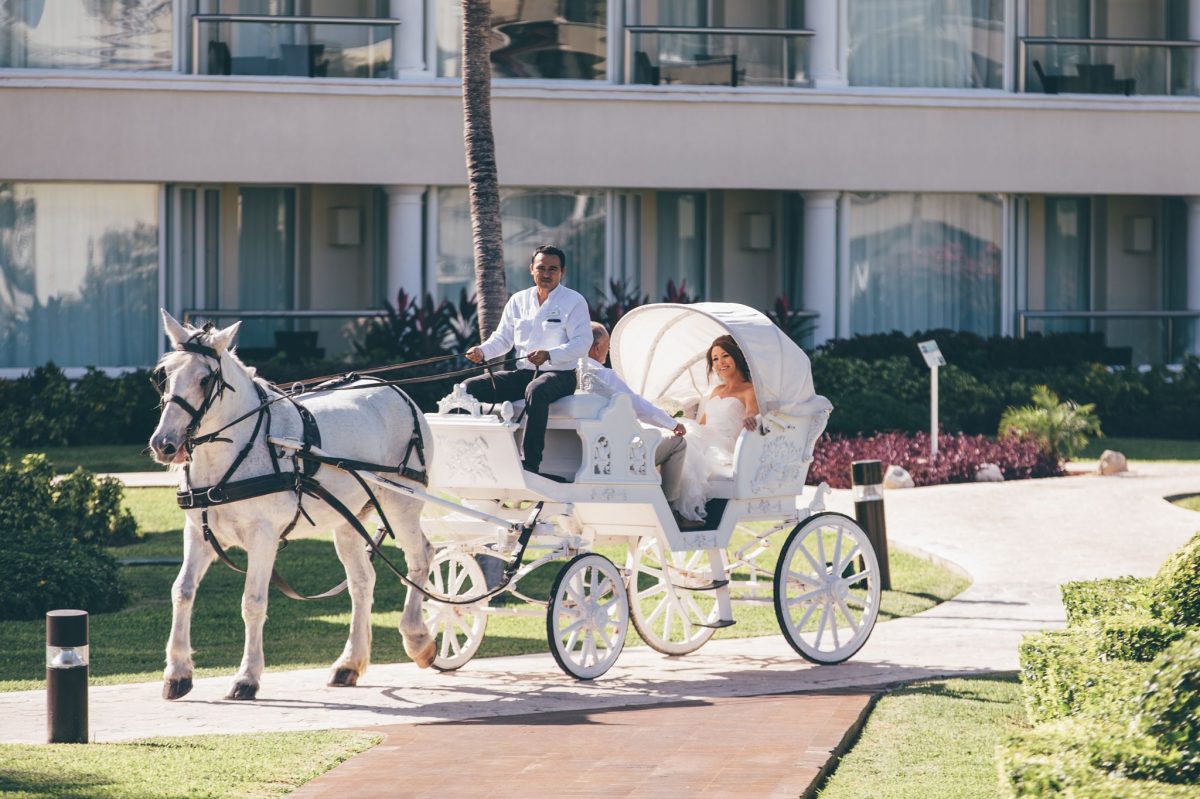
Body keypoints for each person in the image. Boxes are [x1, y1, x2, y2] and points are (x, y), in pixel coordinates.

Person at [463, 245, 591, 474]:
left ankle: (529, 464)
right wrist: (482, 351)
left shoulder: (574, 301)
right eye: (541, 268)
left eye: (553, 269)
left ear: (562, 272)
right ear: (531, 269)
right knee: (469, 388)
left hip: (560, 376)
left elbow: (582, 344)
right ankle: (475, 457)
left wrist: (550, 354)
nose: (546, 273)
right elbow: (502, 339)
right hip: (523, 373)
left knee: (536, 389)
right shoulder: (518, 300)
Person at [584, 323, 698, 527]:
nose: (606, 354)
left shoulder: (560, 373)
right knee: (677, 443)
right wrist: (672, 424)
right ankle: (670, 512)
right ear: (597, 347)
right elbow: (636, 405)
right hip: (610, 456)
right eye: (608, 349)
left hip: (577, 453)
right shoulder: (602, 374)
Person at [675, 334, 760, 523]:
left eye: (725, 356)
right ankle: (671, 508)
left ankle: (688, 513)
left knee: (689, 448)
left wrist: (749, 417)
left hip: (723, 445)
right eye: (715, 359)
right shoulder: (715, 391)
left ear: (737, 357)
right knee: (682, 439)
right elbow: (703, 424)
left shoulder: (749, 390)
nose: (720, 362)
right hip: (705, 438)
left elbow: (752, 412)